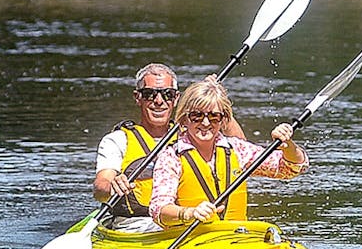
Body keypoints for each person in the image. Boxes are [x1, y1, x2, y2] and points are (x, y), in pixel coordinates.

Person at [93, 64, 243, 233]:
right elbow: (100, 187)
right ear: (138, 97)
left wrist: (216, 103)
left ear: (176, 98)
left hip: (189, 221)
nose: (159, 101)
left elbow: (237, 151)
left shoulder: (192, 134)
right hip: (137, 226)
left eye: (167, 94)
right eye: (150, 94)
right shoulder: (118, 140)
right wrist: (112, 185)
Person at [148, 77, 306, 230]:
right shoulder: (171, 157)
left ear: (223, 120)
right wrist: (189, 213)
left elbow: (291, 168)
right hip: (189, 240)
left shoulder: (237, 149)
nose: (205, 123)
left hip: (234, 237)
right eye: (196, 116)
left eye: (213, 116)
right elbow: (159, 210)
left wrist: (287, 145)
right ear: (184, 120)